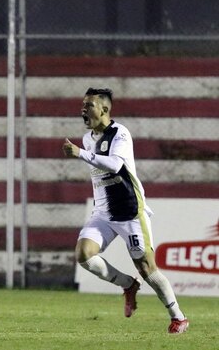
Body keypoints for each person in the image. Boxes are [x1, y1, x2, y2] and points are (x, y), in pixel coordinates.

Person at [62, 87, 189, 334]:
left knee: (147, 268)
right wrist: (84, 151)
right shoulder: (89, 138)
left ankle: (178, 317)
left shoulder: (120, 134)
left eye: (88, 105)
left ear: (105, 109)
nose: (83, 109)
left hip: (130, 210)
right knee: (83, 254)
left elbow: (116, 165)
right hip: (103, 212)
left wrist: (81, 153)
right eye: (83, 105)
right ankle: (128, 285)